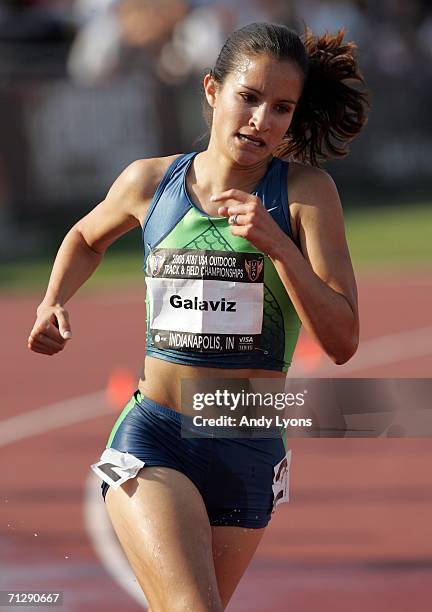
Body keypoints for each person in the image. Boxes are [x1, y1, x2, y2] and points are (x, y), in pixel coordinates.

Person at [28, 22, 368, 612]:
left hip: (249, 446)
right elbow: (86, 236)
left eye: (282, 108)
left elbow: (341, 341)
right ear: (212, 91)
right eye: (250, 97)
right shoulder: (151, 182)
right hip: (156, 435)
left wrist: (279, 247)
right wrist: (54, 298)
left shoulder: (306, 196)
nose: (263, 119)